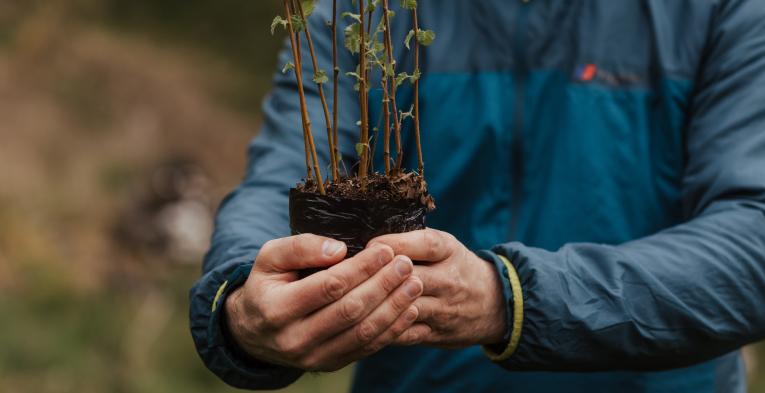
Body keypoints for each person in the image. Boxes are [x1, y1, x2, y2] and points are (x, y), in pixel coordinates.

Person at [189, 1, 765, 392]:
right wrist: (239, 301)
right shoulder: (365, 12)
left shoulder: (719, 11)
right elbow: (282, 175)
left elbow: (752, 240)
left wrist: (506, 298)